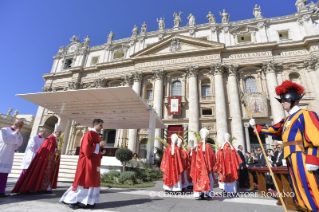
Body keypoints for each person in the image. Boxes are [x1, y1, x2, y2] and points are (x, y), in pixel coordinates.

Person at [249, 80, 319, 212]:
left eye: (284, 101)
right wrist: (257, 126)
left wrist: (312, 158)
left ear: (293, 100)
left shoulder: (306, 115)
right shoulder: (287, 120)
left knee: (309, 185)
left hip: (301, 155)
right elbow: (274, 130)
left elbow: (315, 138)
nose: (282, 103)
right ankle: (306, 208)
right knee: (297, 187)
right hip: (290, 156)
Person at [60, 119, 106, 209]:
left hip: (94, 162)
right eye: (100, 125)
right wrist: (98, 146)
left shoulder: (96, 135)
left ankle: (88, 201)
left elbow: (95, 149)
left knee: (92, 181)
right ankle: (71, 200)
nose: (102, 127)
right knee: (84, 181)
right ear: (95, 125)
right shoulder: (89, 134)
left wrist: (100, 147)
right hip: (87, 162)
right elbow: (86, 149)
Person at [11, 123, 63, 194]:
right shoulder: (49, 138)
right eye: (59, 132)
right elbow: (45, 148)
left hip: (44, 158)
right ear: (56, 132)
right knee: (27, 173)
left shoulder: (49, 139)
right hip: (33, 156)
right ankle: (24, 187)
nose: (60, 134)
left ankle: (36, 187)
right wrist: (54, 150)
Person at [0, 119, 24, 197]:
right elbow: (6, 140)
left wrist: (15, 138)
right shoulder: (4, 130)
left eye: (22, 126)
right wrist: (15, 134)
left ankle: (1, 191)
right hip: (2, 153)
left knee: (4, 174)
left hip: (9, 155)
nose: (21, 127)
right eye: (20, 125)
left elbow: (19, 143)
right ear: (15, 124)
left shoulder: (19, 134)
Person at [190, 128, 216, 199]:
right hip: (207, 168)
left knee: (198, 180)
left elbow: (193, 158)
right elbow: (213, 157)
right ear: (206, 139)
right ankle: (208, 193)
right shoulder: (208, 147)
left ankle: (200, 194)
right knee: (209, 179)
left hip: (198, 168)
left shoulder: (196, 147)